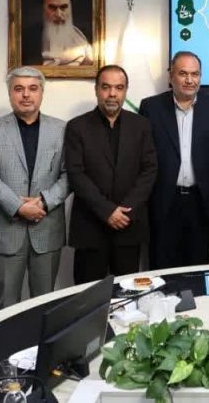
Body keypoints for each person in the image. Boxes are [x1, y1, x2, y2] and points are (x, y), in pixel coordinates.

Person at [0, 67, 69, 308]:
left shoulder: (61, 129)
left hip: (47, 228)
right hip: (8, 230)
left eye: (33, 89)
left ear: (42, 93)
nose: (26, 95)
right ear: (10, 94)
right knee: (7, 307)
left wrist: (44, 201)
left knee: (45, 305)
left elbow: (69, 174)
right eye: (19, 89)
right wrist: (19, 207)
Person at [66, 65, 157, 282]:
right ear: (96, 90)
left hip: (128, 226)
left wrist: (125, 211)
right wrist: (107, 211)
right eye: (106, 87)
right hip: (90, 227)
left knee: (127, 293)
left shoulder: (142, 125)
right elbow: (76, 175)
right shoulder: (77, 127)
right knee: (88, 295)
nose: (112, 94)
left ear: (125, 91)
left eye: (119, 87)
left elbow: (149, 169)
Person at [140, 52, 209, 269]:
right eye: (183, 74)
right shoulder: (151, 107)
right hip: (163, 201)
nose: (189, 80)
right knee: (161, 266)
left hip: (201, 202)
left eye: (195, 74)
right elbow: (143, 158)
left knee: (198, 267)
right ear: (171, 76)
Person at [23, 0, 94, 67]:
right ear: (43, 9)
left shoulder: (82, 39)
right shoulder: (28, 38)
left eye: (63, 7)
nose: (58, 14)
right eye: (52, 8)